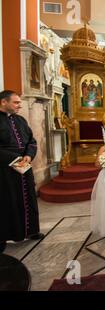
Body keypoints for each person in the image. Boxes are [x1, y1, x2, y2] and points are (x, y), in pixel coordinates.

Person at [0, 90, 44, 253]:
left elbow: (31, 142)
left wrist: (28, 155)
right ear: (4, 102)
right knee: (8, 200)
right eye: (16, 102)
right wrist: (13, 159)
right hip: (4, 170)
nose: (19, 105)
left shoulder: (20, 120)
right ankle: (5, 234)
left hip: (24, 165)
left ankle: (31, 230)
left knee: (28, 197)